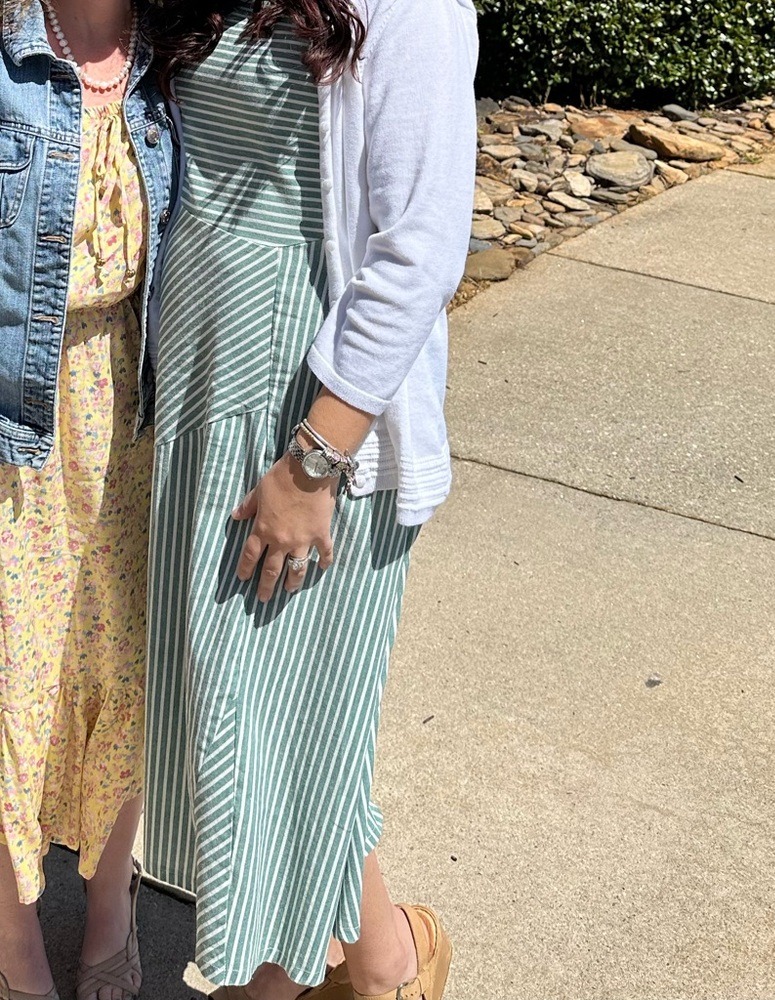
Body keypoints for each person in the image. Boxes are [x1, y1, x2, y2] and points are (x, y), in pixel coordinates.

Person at [141, 2, 477, 999]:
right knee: (265, 727)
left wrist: (312, 465)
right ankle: (385, 966)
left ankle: (272, 981)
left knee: (267, 741)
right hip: (203, 395)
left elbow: (420, 248)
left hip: (309, 429)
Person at [0, 2, 175, 1000]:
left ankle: (110, 906)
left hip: (134, 406)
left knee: (122, 670)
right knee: (11, 672)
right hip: (14, 415)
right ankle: (13, 931)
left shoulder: (173, 49)